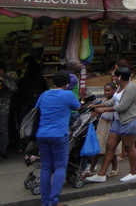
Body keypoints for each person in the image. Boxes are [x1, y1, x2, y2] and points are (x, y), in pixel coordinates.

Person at [86, 67, 136, 183]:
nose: (114, 78)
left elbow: (122, 106)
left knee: (129, 146)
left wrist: (104, 110)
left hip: (129, 120)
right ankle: (101, 174)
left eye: (115, 76)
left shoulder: (131, 88)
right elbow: (113, 101)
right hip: (118, 120)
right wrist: (97, 106)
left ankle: (134, 172)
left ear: (120, 77)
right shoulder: (120, 87)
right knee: (110, 145)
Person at [36, 70, 81, 206]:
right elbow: (77, 107)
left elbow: (37, 108)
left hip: (42, 134)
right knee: (60, 167)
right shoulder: (67, 94)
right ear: (67, 83)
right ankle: (53, 201)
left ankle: (45, 202)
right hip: (59, 135)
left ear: (53, 82)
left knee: (45, 168)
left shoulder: (44, 94)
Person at [88, 82, 120, 177]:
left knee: (110, 149)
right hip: (102, 127)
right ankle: (91, 169)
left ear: (114, 91)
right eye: (105, 90)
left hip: (109, 127)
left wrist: (100, 112)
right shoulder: (104, 101)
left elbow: (110, 115)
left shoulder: (114, 102)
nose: (106, 92)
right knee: (100, 149)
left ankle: (113, 169)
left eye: (108, 90)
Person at [0, 62, 17, 159]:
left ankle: (3, 152)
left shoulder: (8, 79)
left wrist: (3, 80)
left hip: (4, 109)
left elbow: (14, 89)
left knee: (3, 131)